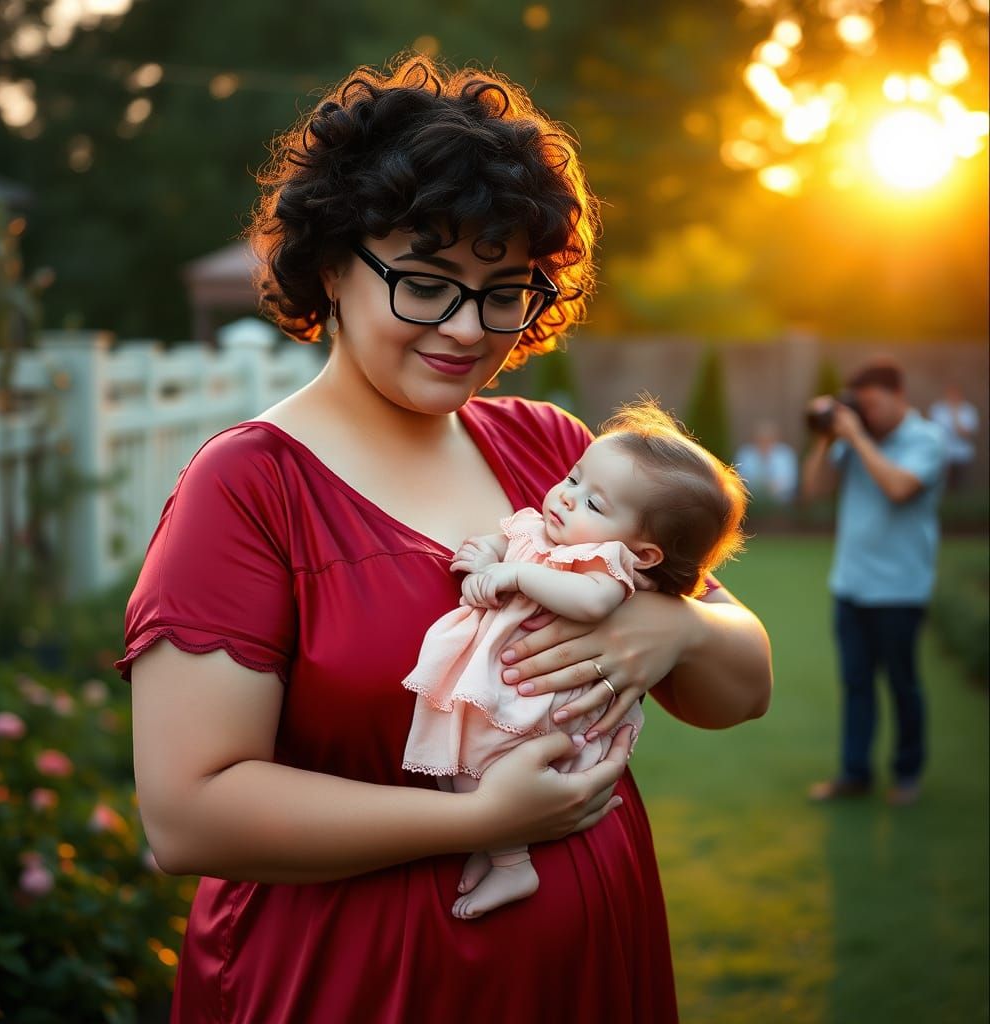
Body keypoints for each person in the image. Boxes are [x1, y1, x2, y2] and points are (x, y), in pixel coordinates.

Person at [117, 56, 772, 1023]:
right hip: (354, 981)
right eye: (427, 283)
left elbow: (741, 690)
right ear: (333, 263)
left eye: (506, 290)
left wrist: (682, 633)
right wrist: (478, 822)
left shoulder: (552, 453)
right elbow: (188, 815)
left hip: (587, 965)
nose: (469, 329)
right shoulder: (250, 487)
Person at [403, 401, 748, 920]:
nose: (566, 498)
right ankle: (499, 850)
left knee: (483, 766)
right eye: (572, 478)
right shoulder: (547, 530)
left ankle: (512, 861)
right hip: (507, 689)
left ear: (646, 553)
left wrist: (515, 577)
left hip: (537, 708)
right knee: (463, 765)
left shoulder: (608, 563)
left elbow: (591, 602)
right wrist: (486, 555)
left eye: (595, 504)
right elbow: (508, 538)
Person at [801, 357, 946, 808]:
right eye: (858, 406)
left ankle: (907, 774)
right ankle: (854, 773)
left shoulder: (927, 439)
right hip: (851, 584)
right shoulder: (855, 438)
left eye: (872, 404)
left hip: (901, 589)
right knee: (856, 684)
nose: (866, 413)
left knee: (903, 685)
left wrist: (857, 437)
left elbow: (900, 488)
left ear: (899, 396)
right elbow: (815, 490)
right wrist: (827, 438)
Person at [733, 419, 799, 505]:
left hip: (781, 503)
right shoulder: (745, 454)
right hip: (752, 504)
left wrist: (774, 487)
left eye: (769, 439)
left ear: (775, 439)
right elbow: (740, 480)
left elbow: (791, 482)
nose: (765, 442)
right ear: (755, 439)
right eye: (761, 439)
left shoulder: (786, 454)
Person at [928, 384, 980, 491]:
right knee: (945, 486)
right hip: (944, 453)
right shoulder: (938, 409)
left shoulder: (969, 410)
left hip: (963, 454)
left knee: (961, 485)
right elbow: (934, 431)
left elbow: (966, 433)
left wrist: (955, 415)